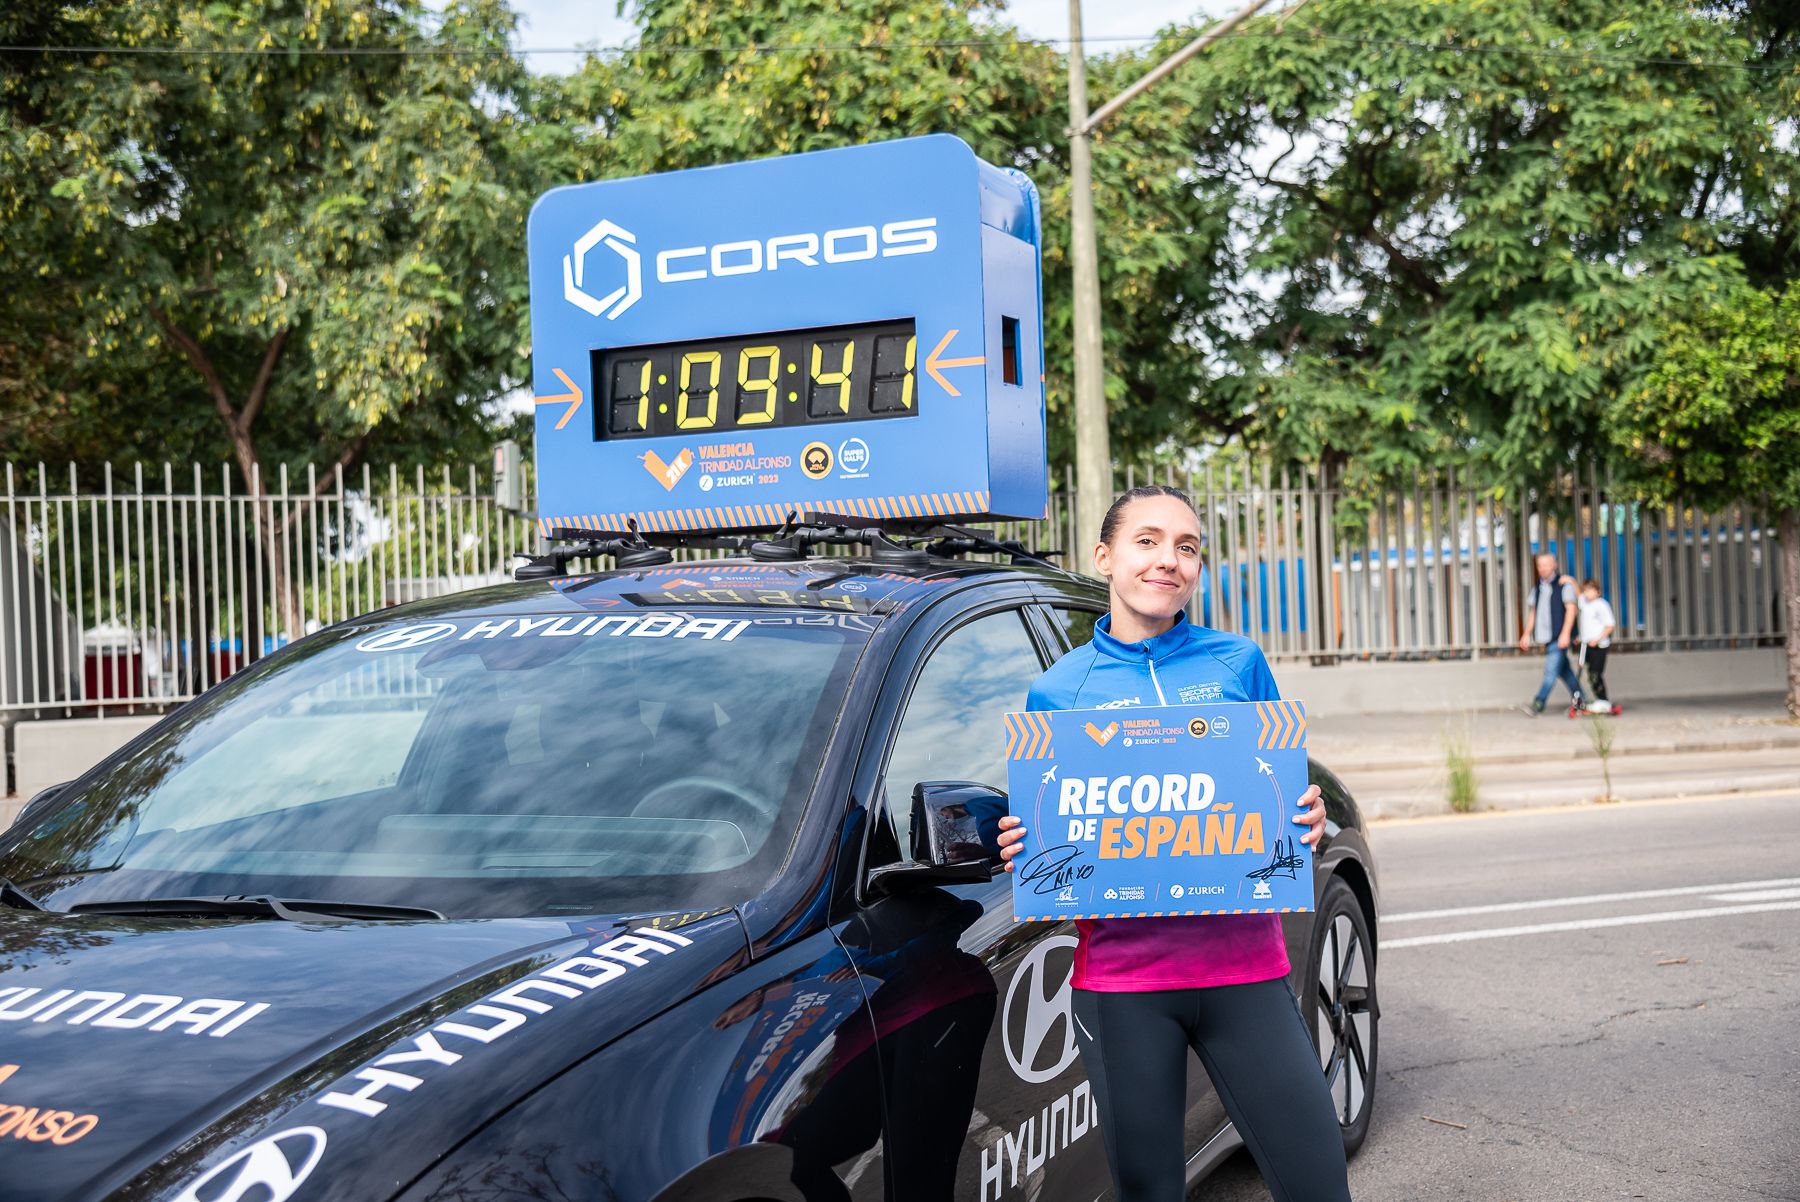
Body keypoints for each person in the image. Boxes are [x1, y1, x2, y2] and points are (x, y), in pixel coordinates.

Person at [994, 485, 1348, 1202]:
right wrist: (1024, 842)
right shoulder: (1057, 695)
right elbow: (1056, 842)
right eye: (1147, 541)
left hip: (1245, 973)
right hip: (1125, 987)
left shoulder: (1237, 664)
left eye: (1186, 547)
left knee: (1318, 1185)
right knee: (1150, 1191)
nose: (1169, 560)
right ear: (1105, 556)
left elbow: (1275, 797)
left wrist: (1301, 816)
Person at [1518, 553, 1581, 715]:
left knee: (1550, 672)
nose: (1543, 568)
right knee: (1565, 672)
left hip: (1559, 637)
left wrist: (1566, 633)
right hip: (1546, 637)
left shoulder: (1563, 585)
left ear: (1554, 565)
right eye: (1540, 565)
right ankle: (1582, 701)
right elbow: (1533, 613)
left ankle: (1538, 703)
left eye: (1547, 564)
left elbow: (1571, 610)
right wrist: (1526, 634)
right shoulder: (1537, 588)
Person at [1574, 577, 1617, 712]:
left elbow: (1610, 626)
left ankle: (1603, 700)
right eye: (1586, 591)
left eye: (1590, 591)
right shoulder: (1585, 604)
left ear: (1597, 592)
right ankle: (1593, 699)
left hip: (1599, 646)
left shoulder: (1602, 605)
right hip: (1585, 645)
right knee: (1584, 671)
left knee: (1595, 673)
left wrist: (1597, 639)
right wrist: (1570, 581)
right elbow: (1578, 594)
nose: (1587, 594)